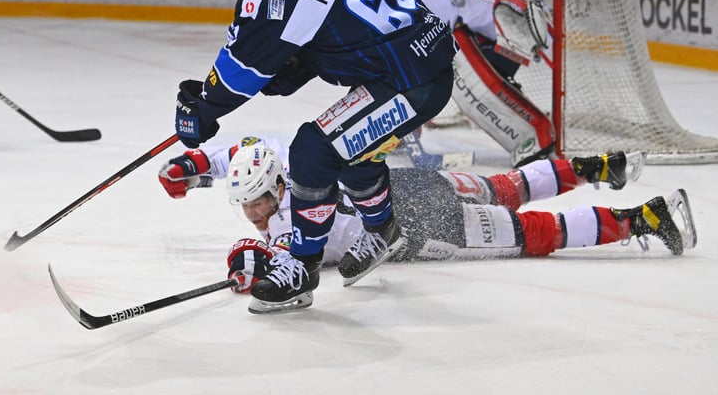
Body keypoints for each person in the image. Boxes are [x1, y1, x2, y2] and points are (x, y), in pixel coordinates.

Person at [172, 0, 457, 314]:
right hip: (419, 58)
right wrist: (288, 71)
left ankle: (302, 268)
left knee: (313, 150)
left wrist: (202, 111)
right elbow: (321, 34)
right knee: (351, 149)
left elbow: (239, 74)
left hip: (410, 80)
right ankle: (382, 229)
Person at [158, 138, 698, 309]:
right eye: (244, 205)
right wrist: (196, 166)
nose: (252, 214)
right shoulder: (297, 162)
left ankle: (642, 219)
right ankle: (593, 166)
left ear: (275, 189)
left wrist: (247, 263)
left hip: (422, 229)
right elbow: (244, 152)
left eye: (256, 204)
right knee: (504, 186)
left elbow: (291, 270)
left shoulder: (288, 226)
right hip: (405, 185)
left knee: (534, 234)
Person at [387, 0, 554, 167]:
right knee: (401, 61)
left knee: (468, 74)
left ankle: (514, 110)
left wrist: (542, 48)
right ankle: (407, 124)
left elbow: (538, 18)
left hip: (492, 47)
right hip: (447, 39)